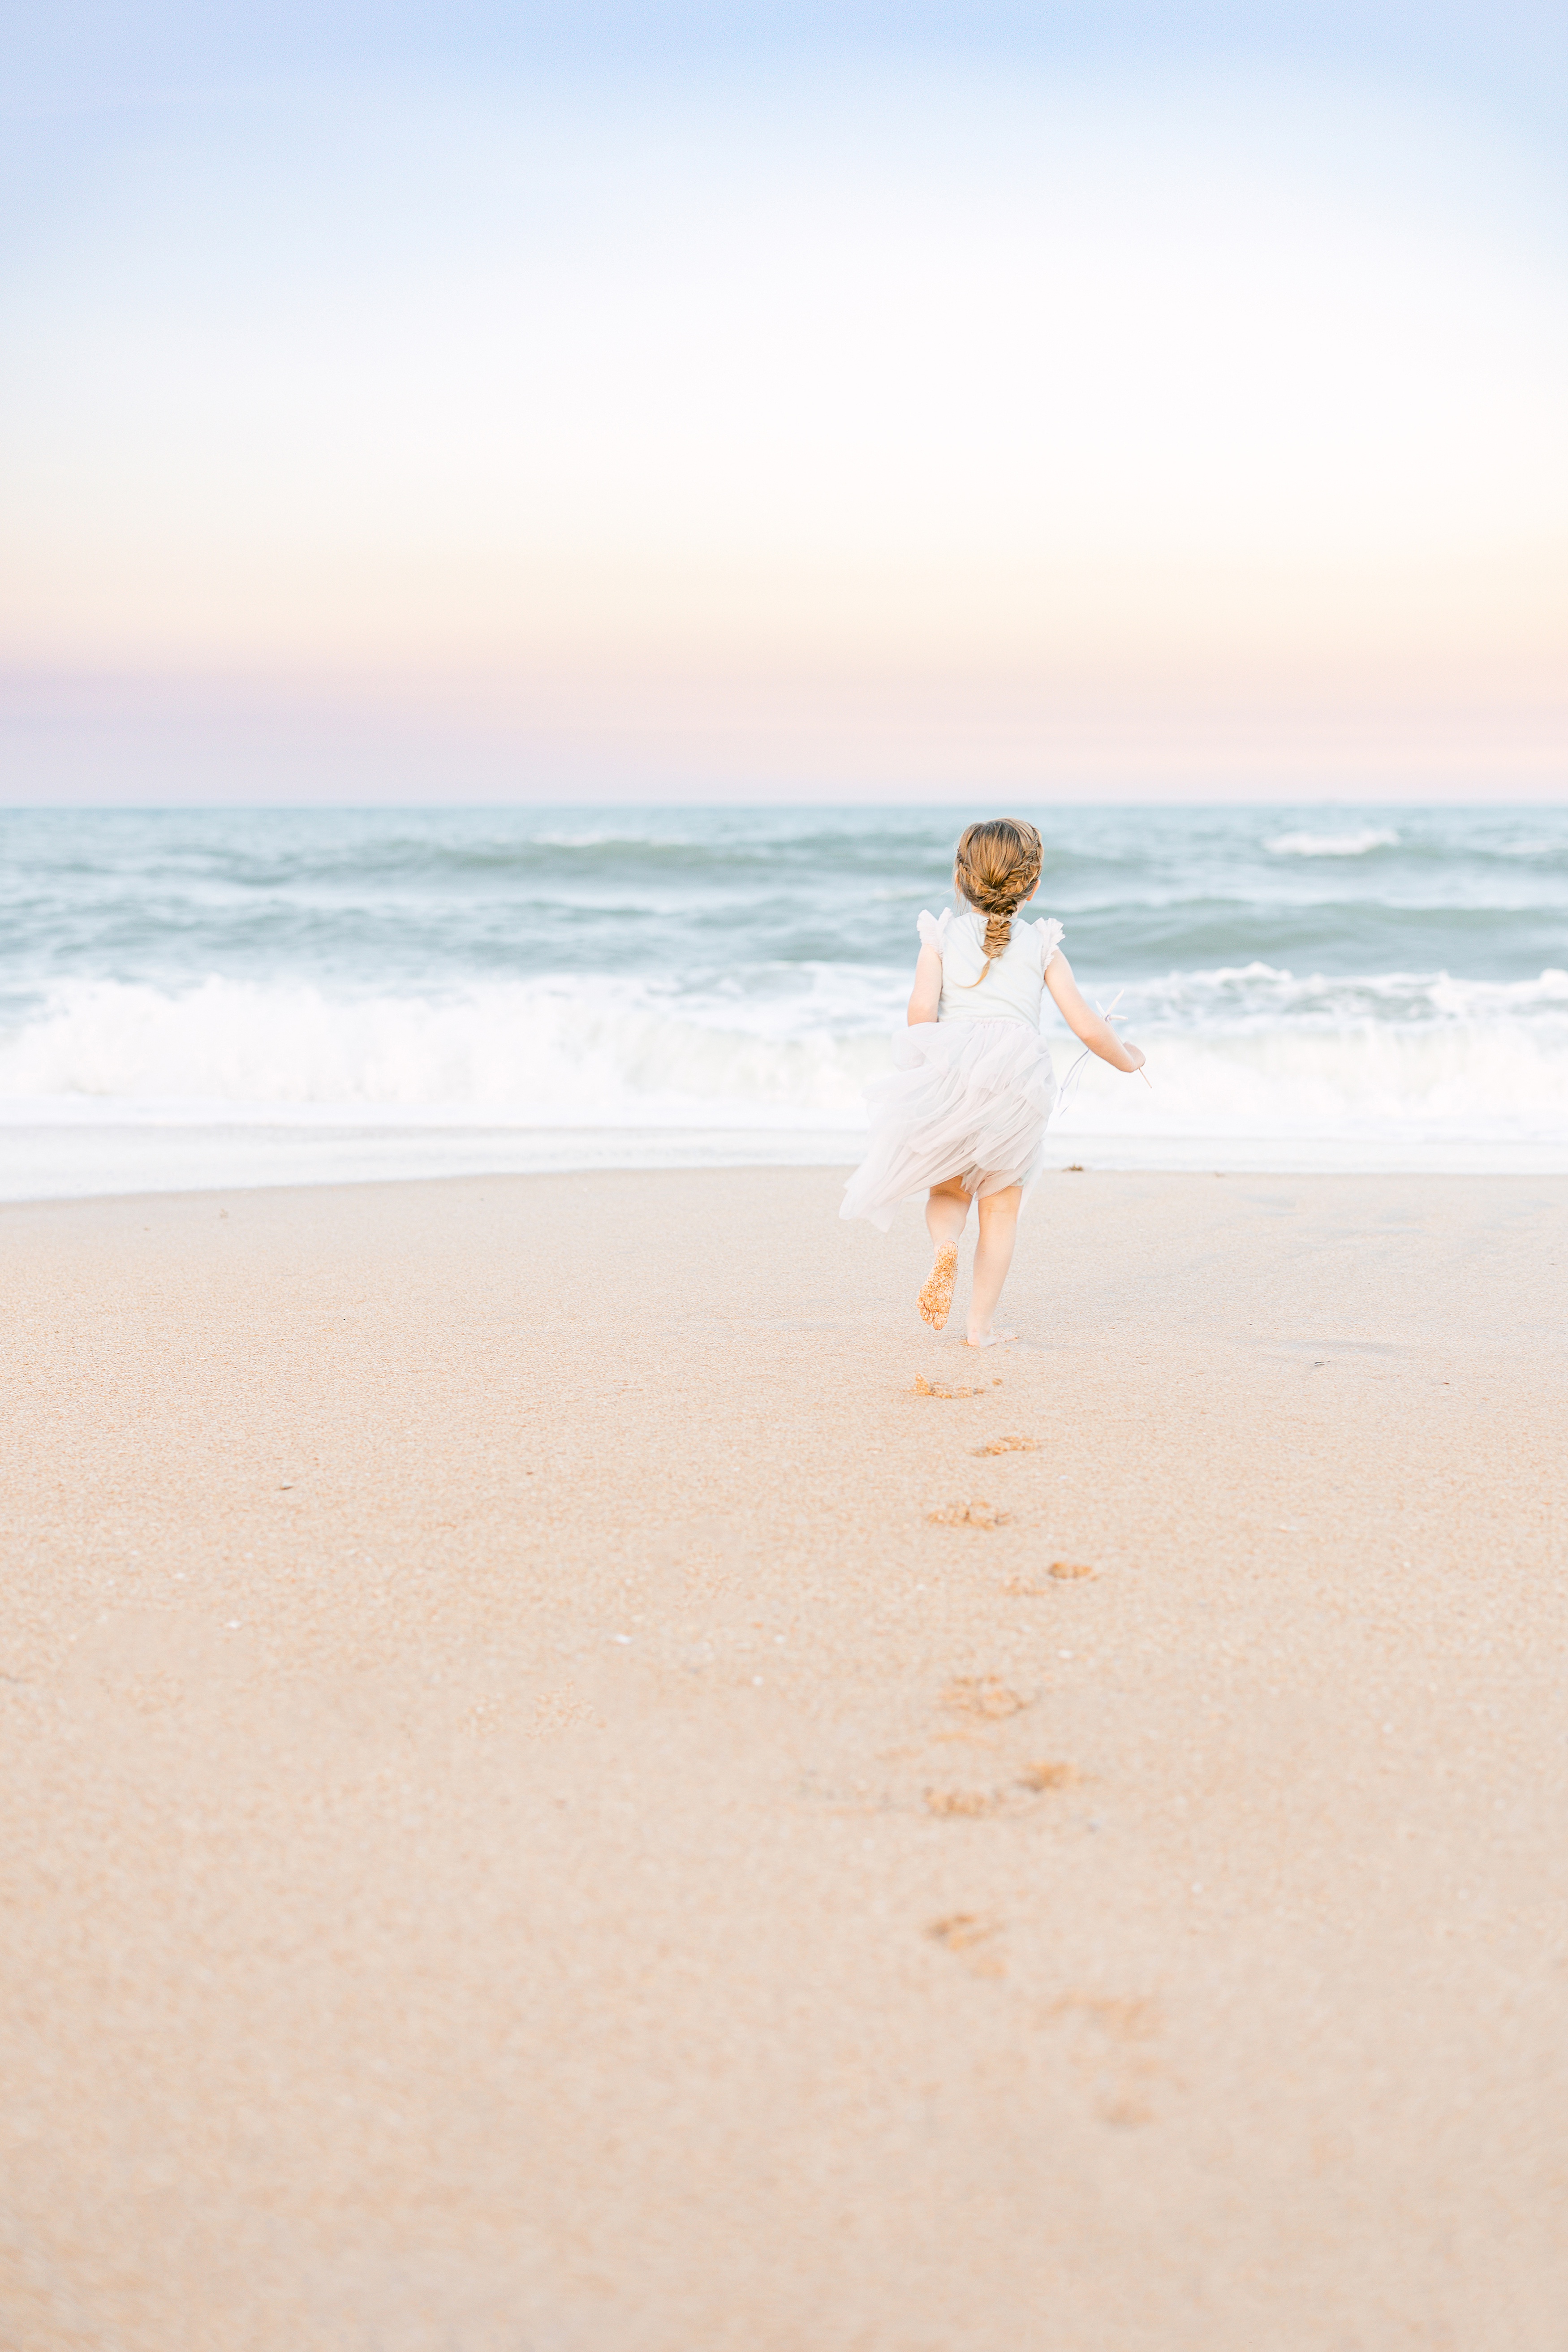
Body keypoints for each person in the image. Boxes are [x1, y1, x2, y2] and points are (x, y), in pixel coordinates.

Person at [840, 817, 1145, 1346]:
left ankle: (944, 1249)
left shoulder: (939, 936)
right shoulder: (1043, 945)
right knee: (1000, 1207)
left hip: (955, 1067)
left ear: (961, 880)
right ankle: (979, 1330)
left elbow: (919, 1012)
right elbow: (1088, 1028)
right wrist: (1129, 1059)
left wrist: (928, 1065)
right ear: (1033, 886)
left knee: (948, 1188)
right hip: (1018, 1080)